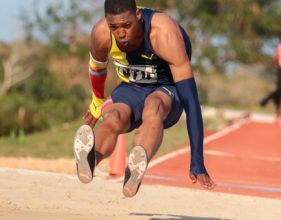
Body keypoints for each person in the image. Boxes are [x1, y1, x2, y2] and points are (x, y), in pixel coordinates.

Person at [73, 0, 214, 197]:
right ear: (107, 22)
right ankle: (91, 159)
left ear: (138, 15)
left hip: (167, 91)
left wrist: (197, 161)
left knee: (153, 107)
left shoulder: (163, 32)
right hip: (132, 87)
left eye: (126, 26)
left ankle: (137, 164)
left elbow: (191, 102)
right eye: (114, 27)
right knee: (113, 115)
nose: (121, 34)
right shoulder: (101, 33)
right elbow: (97, 69)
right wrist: (97, 103)